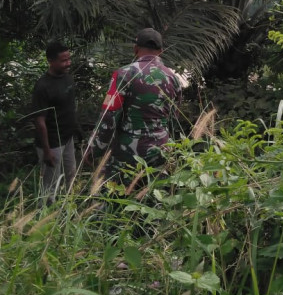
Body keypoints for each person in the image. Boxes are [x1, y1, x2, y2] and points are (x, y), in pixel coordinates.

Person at [85, 28, 182, 182]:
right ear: (161, 51)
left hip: (128, 152)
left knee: (111, 199)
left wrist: (95, 148)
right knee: (155, 200)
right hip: (162, 151)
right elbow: (173, 119)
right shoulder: (173, 78)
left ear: (135, 49)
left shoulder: (124, 74)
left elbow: (109, 116)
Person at [31, 41, 79, 204]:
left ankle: (67, 212)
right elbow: (39, 120)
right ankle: (44, 216)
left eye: (69, 59)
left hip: (67, 139)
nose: (68, 63)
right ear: (51, 61)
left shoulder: (68, 79)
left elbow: (70, 108)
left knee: (70, 177)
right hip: (52, 143)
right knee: (50, 184)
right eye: (63, 60)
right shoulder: (42, 86)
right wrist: (46, 150)